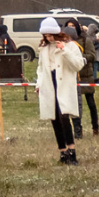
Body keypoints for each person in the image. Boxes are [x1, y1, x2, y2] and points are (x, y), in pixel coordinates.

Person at [36, 19, 85, 165]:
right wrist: (38, 84)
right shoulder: (44, 48)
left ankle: (72, 151)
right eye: (46, 35)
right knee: (54, 118)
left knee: (64, 117)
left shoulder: (70, 46)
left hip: (63, 84)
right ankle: (62, 151)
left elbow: (78, 65)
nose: (48, 38)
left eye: (51, 35)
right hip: (49, 84)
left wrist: (64, 51)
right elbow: (40, 69)